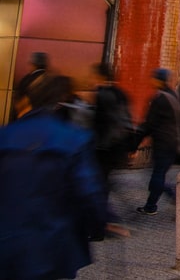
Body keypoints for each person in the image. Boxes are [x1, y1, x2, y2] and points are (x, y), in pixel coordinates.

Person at [0, 74, 107, 279]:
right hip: (51, 242)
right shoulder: (74, 139)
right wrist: (98, 224)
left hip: (6, 240)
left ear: (25, 100)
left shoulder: (5, 136)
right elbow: (89, 192)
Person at [133, 68, 180, 216]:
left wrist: (134, 144)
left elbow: (148, 124)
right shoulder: (173, 95)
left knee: (157, 175)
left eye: (153, 78)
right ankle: (154, 204)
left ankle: (153, 205)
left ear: (158, 80)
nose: (151, 81)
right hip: (173, 142)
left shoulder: (160, 98)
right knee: (159, 174)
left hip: (163, 142)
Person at [91, 62, 133, 237]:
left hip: (104, 149)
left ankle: (102, 226)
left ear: (99, 77)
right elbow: (127, 121)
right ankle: (109, 220)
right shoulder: (121, 94)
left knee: (99, 187)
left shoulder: (102, 95)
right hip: (116, 148)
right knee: (104, 186)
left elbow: (98, 125)